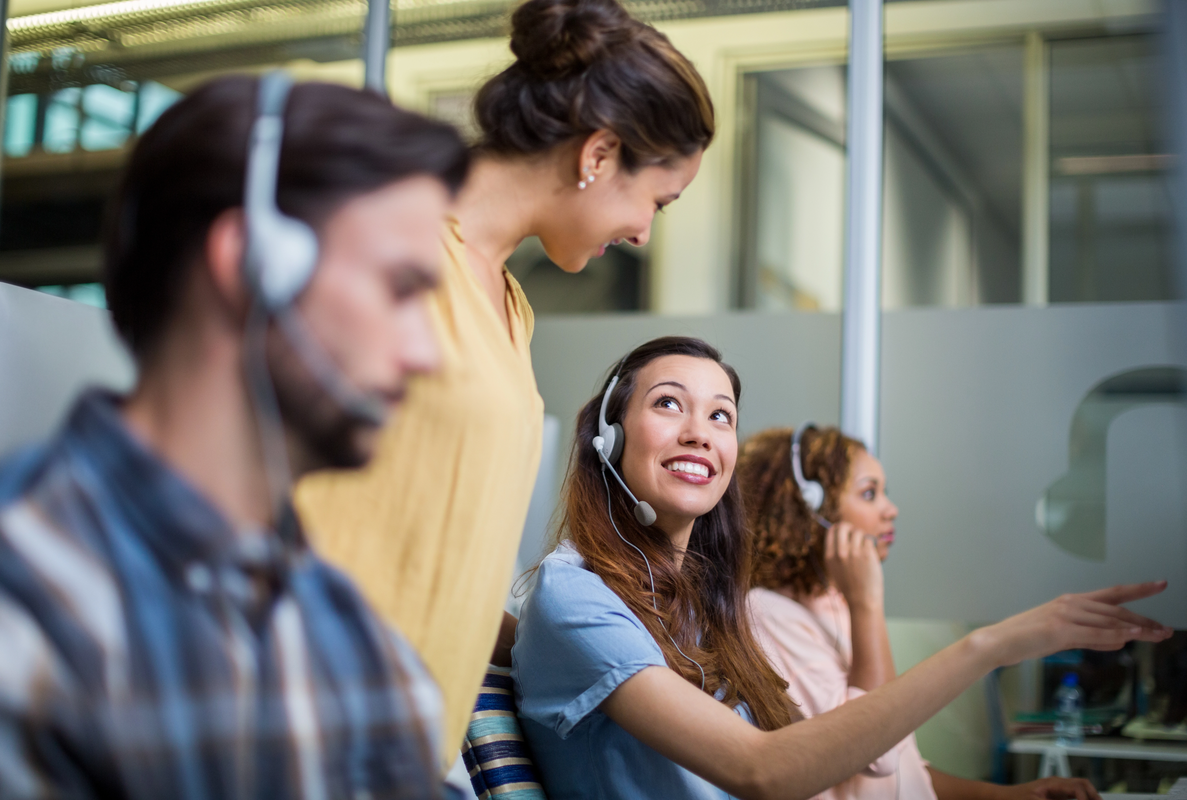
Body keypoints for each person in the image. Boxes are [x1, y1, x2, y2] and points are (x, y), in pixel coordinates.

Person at [0, 75, 469, 798]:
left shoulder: (351, 632)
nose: (427, 353)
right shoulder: (21, 607)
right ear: (253, 264)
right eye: (400, 289)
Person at [294, 0, 715, 761]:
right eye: (656, 200)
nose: (644, 232)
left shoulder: (510, 305)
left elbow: (434, 541)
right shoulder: (394, 246)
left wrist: (557, 646)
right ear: (598, 154)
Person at [510, 336, 1171, 800]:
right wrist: (992, 646)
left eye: (720, 416)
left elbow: (840, 757)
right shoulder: (577, 593)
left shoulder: (697, 606)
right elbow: (764, 773)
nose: (700, 433)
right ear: (607, 438)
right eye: (668, 404)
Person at [738, 425, 1101, 800]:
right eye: (869, 493)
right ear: (808, 510)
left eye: (884, 493)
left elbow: (902, 768)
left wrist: (1009, 795)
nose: (890, 510)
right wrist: (868, 604)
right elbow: (877, 754)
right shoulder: (769, 614)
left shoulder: (837, 606)